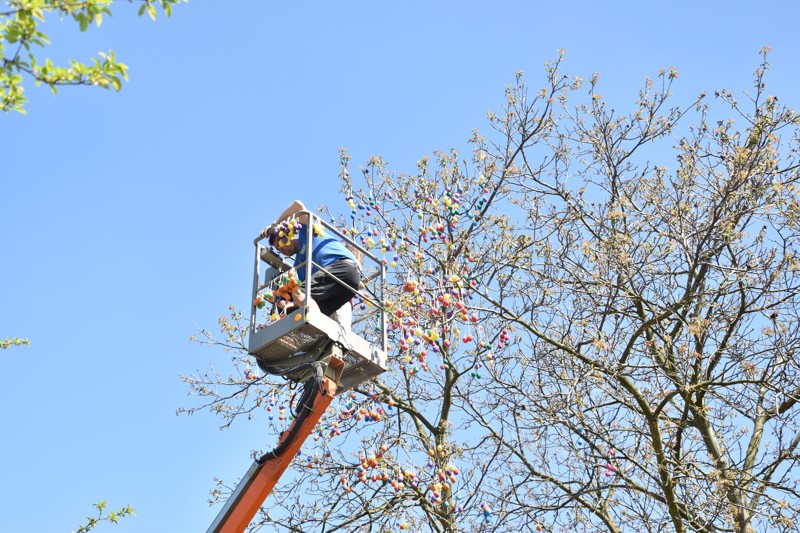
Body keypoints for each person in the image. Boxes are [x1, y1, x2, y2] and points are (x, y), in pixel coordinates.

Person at [262, 200, 361, 319]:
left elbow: (298, 205)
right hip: (344, 289)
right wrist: (290, 304)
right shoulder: (299, 265)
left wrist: (275, 225)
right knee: (294, 308)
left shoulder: (307, 232)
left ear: (290, 235)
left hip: (343, 268)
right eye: (278, 249)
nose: (281, 250)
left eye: (281, 244)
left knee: (298, 292)